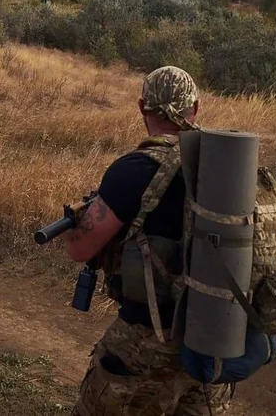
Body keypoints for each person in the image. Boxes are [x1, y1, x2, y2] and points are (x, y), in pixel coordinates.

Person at [65, 66, 231, 416]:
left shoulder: (134, 170)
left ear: (142, 107)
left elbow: (79, 249)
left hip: (147, 342)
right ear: (196, 108)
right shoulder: (227, 165)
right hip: (217, 341)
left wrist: (80, 221)